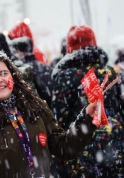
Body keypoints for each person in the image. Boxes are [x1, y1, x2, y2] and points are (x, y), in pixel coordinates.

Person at [0, 51, 99, 178]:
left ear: (13, 75)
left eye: (4, 73)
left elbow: (65, 148)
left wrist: (86, 118)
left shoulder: (36, 107)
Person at [51, 25, 124, 177]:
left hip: (81, 148)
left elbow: (59, 118)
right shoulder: (110, 72)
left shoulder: (64, 77)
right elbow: (118, 109)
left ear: (70, 49)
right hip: (113, 146)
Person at [9, 36, 54, 107]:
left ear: (18, 51)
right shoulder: (47, 67)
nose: (14, 55)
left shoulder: (21, 71)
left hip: (38, 111)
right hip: (51, 109)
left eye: (15, 52)